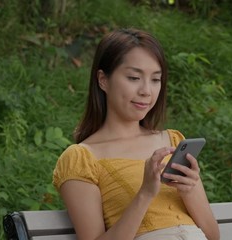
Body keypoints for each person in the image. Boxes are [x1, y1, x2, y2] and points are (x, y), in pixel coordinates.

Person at [52, 28, 220, 240]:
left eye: (155, 80)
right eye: (134, 78)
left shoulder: (173, 141)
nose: (146, 91)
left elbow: (213, 236)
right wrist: (145, 193)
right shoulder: (81, 158)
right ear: (103, 80)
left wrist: (190, 191)